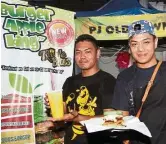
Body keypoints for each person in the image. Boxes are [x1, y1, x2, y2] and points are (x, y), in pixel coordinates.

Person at [45, 34, 117, 144]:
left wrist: (78, 118)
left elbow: (110, 120)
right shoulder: (70, 82)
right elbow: (63, 121)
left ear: (97, 53)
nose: (82, 57)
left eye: (88, 52)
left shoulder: (108, 81)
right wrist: (54, 109)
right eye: (78, 52)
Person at [111, 20, 166, 144]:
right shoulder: (124, 77)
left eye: (146, 42)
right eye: (134, 44)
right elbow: (122, 116)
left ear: (155, 42)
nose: (140, 49)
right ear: (129, 47)